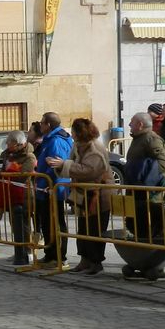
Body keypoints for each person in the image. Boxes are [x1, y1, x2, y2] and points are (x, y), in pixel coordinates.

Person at [54, 118, 112, 275]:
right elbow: (73, 164)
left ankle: (96, 262)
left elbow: (89, 170)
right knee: (83, 229)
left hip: (97, 195)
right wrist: (61, 165)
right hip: (83, 194)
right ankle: (84, 260)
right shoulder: (78, 145)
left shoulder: (95, 148)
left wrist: (64, 165)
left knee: (95, 230)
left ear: (80, 132)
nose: (71, 133)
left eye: (73, 130)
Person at [33, 112, 73, 268]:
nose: (40, 125)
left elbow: (57, 165)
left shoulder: (57, 140)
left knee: (56, 222)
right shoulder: (49, 139)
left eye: (42, 122)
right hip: (44, 187)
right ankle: (50, 254)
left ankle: (59, 256)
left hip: (53, 187)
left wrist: (46, 180)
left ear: (48, 124)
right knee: (47, 222)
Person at [122, 111, 165, 245]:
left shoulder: (152, 139)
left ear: (140, 124)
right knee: (137, 225)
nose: (129, 124)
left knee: (148, 227)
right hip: (137, 191)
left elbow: (162, 164)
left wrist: (147, 184)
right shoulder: (139, 139)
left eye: (132, 122)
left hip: (148, 195)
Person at [0, 131, 37, 266]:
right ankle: (19, 249)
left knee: (24, 224)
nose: (7, 145)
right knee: (15, 224)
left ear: (17, 143)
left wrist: (5, 174)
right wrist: (1, 173)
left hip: (24, 194)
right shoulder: (8, 155)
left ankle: (27, 250)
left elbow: (23, 175)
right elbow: (3, 170)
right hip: (10, 193)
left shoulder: (29, 157)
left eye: (9, 143)